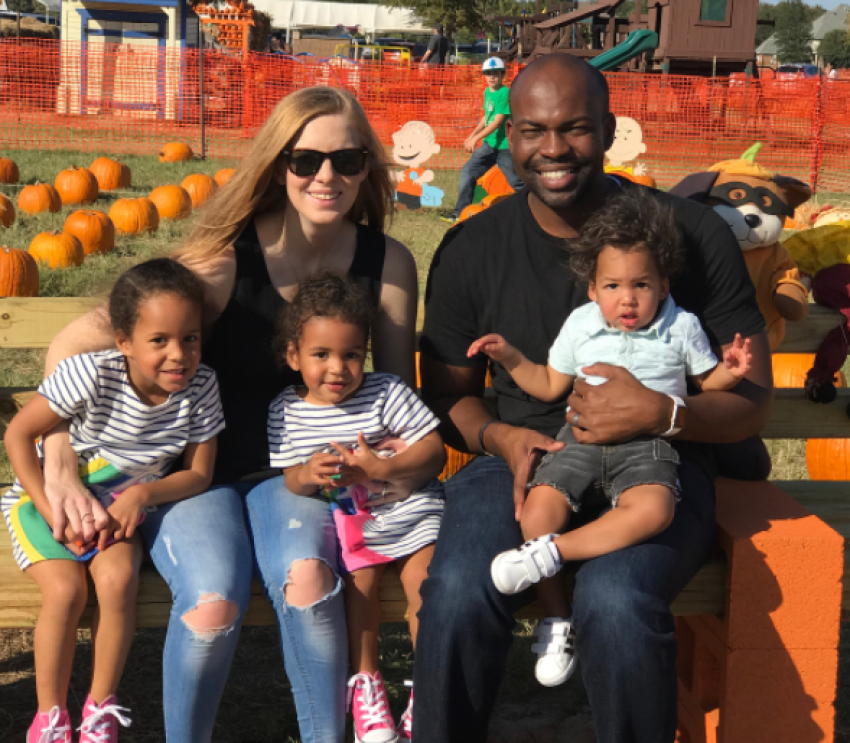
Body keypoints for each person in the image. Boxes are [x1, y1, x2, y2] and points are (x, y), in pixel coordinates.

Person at [41, 86, 427, 743]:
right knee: (214, 600)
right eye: (305, 160)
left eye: (348, 159)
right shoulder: (222, 264)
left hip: (306, 479)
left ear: (369, 168)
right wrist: (59, 465)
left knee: (308, 579)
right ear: (278, 163)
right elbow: (75, 342)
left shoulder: (385, 261)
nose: (326, 176)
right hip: (200, 474)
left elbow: (390, 390)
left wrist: (390, 470)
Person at [415, 53, 772, 743]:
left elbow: (751, 399)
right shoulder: (471, 247)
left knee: (616, 599)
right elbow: (447, 397)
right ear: (507, 136)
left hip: (664, 457)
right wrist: (499, 438)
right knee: (459, 587)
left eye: (574, 128)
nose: (551, 149)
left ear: (609, 130)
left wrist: (668, 414)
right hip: (522, 456)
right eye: (531, 130)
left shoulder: (690, 236)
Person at [466, 188, 753, 689]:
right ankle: (556, 619)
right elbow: (549, 384)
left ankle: (552, 554)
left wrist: (729, 372)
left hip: (649, 446)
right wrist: (511, 358)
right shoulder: (580, 325)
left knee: (654, 510)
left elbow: (704, 384)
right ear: (592, 290)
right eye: (613, 285)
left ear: (663, 285)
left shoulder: (681, 326)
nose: (627, 298)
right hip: (578, 440)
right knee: (537, 511)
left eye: (641, 284)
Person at [2, 259, 223, 743]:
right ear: (123, 341)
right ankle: (51, 717)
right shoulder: (90, 373)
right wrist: (45, 503)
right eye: (159, 341)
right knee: (65, 592)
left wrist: (143, 494)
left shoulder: (202, 387)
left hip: (122, 508)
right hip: (52, 500)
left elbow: (199, 473)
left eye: (190, 338)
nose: (178, 355)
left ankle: (100, 708)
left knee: (118, 579)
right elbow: (19, 434)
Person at [269, 273, 446, 743]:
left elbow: (435, 452)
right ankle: (366, 684)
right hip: (354, 522)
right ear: (293, 357)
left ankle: (427, 692)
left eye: (351, 355)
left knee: (426, 588)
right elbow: (290, 476)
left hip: (410, 506)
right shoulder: (286, 412)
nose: (338, 369)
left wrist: (377, 470)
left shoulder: (386, 391)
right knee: (360, 587)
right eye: (321, 355)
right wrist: (308, 474)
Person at [443, 57, 524, 224]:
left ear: (502, 75)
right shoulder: (488, 92)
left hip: (504, 148)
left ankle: (534, 213)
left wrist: (476, 139)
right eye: (488, 74)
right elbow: (487, 118)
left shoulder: (504, 93)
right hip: (489, 145)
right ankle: (460, 213)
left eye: (495, 73)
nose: (492, 77)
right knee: (468, 172)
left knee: (517, 183)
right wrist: (472, 135)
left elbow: (497, 122)